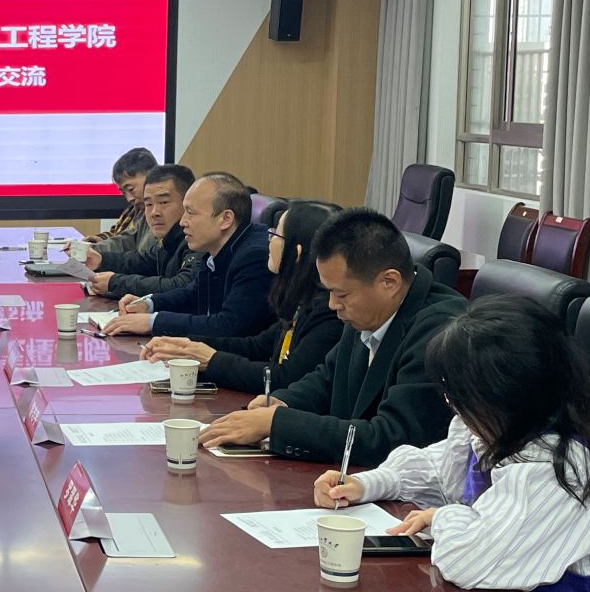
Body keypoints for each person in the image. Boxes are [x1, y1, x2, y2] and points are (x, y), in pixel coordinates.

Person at [313, 296, 590, 592]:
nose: (455, 409)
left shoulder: (559, 470)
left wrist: (442, 517)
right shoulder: (509, 428)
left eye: (460, 398)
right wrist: (369, 483)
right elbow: (441, 467)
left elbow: (466, 562)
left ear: (505, 397)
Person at [199, 207, 461, 465]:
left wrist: (278, 423)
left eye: (341, 294)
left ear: (389, 282)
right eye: (329, 291)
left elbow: (391, 438)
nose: (332, 304)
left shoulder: (441, 332)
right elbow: (326, 379)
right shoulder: (368, 310)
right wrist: (284, 402)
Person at [144, 200, 340, 393]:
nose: (268, 241)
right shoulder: (302, 298)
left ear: (297, 253)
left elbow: (286, 379)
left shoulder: (328, 311)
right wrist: (186, 345)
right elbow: (257, 346)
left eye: (275, 235)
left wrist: (212, 360)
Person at [105, 172, 271, 341]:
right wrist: (149, 304)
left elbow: (228, 326)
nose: (182, 221)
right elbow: (193, 294)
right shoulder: (217, 246)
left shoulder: (255, 257)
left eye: (191, 213)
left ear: (225, 219)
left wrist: (153, 322)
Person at [90, 163, 197, 298]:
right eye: (149, 204)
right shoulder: (170, 239)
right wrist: (101, 260)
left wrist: (115, 282)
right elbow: (141, 261)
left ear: (188, 203)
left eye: (163, 202)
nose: (154, 212)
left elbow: (182, 286)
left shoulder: (199, 239)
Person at [88, 147, 158, 264]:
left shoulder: (159, 214)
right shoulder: (136, 211)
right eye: (124, 193)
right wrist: (93, 247)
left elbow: (145, 260)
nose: (129, 198)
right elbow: (126, 240)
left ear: (152, 177)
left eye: (131, 189)